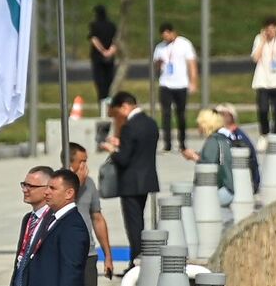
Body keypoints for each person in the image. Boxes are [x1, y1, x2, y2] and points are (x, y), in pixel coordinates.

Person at [69, 142, 114, 286]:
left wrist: (107, 254)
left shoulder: (91, 185)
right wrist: (75, 186)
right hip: (66, 258)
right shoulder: (59, 186)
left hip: (88, 256)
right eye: (81, 162)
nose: (86, 166)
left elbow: (97, 217)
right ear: (70, 163)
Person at [101, 92, 160, 260]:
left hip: (131, 183)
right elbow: (140, 147)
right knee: (139, 221)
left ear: (124, 107)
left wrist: (112, 151)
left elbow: (124, 159)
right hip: (147, 179)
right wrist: (123, 144)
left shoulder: (129, 126)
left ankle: (136, 260)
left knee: (134, 225)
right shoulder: (150, 123)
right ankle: (139, 258)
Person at [153, 24, 199, 152]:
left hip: (181, 84)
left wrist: (193, 82)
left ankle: (182, 142)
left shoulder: (184, 44)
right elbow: (156, 66)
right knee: (166, 114)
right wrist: (158, 63)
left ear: (173, 32)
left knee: (181, 114)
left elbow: (192, 64)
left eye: (168, 34)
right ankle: (167, 143)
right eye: (164, 36)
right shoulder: (160, 47)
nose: (166, 38)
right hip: (165, 84)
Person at [183, 109, 236, 207]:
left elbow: (207, 167)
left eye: (199, 123)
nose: (198, 126)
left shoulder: (212, 140)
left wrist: (193, 156)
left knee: (184, 201)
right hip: (228, 189)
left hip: (222, 190)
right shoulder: (221, 138)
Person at [216, 103, 260, 195]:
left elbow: (253, 162)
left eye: (223, 114)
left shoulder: (239, 137)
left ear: (231, 117)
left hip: (238, 185)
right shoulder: (219, 135)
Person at [88, 5, 119, 105]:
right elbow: (116, 40)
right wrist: (110, 51)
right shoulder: (112, 25)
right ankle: (106, 100)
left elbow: (94, 39)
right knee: (108, 80)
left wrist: (102, 51)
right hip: (110, 57)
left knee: (100, 82)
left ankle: (102, 102)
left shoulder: (94, 25)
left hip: (97, 57)